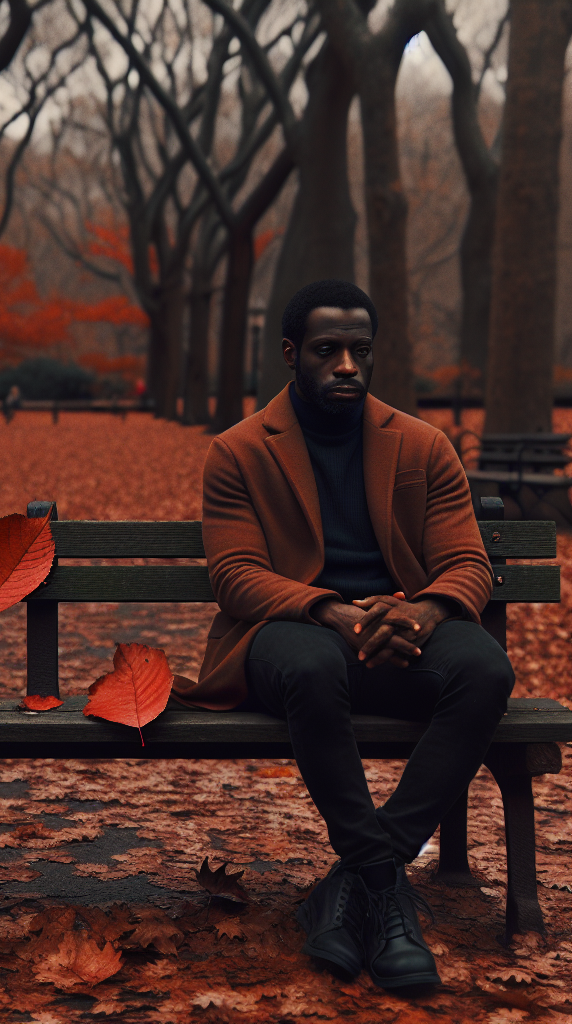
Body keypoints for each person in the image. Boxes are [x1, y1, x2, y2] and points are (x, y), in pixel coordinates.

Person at [173, 280, 513, 991]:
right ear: (293, 355)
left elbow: (465, 562)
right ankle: (388, 890)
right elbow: (235, 575)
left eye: (361, 350)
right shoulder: (239, 452)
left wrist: (425, 611)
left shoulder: (422, 445)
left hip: (402, 629)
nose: (348, 366)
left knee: (483, 669)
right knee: (311, 666)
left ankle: (356, 882)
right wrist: (331, 610)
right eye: (328, 351)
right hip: (286, 632)